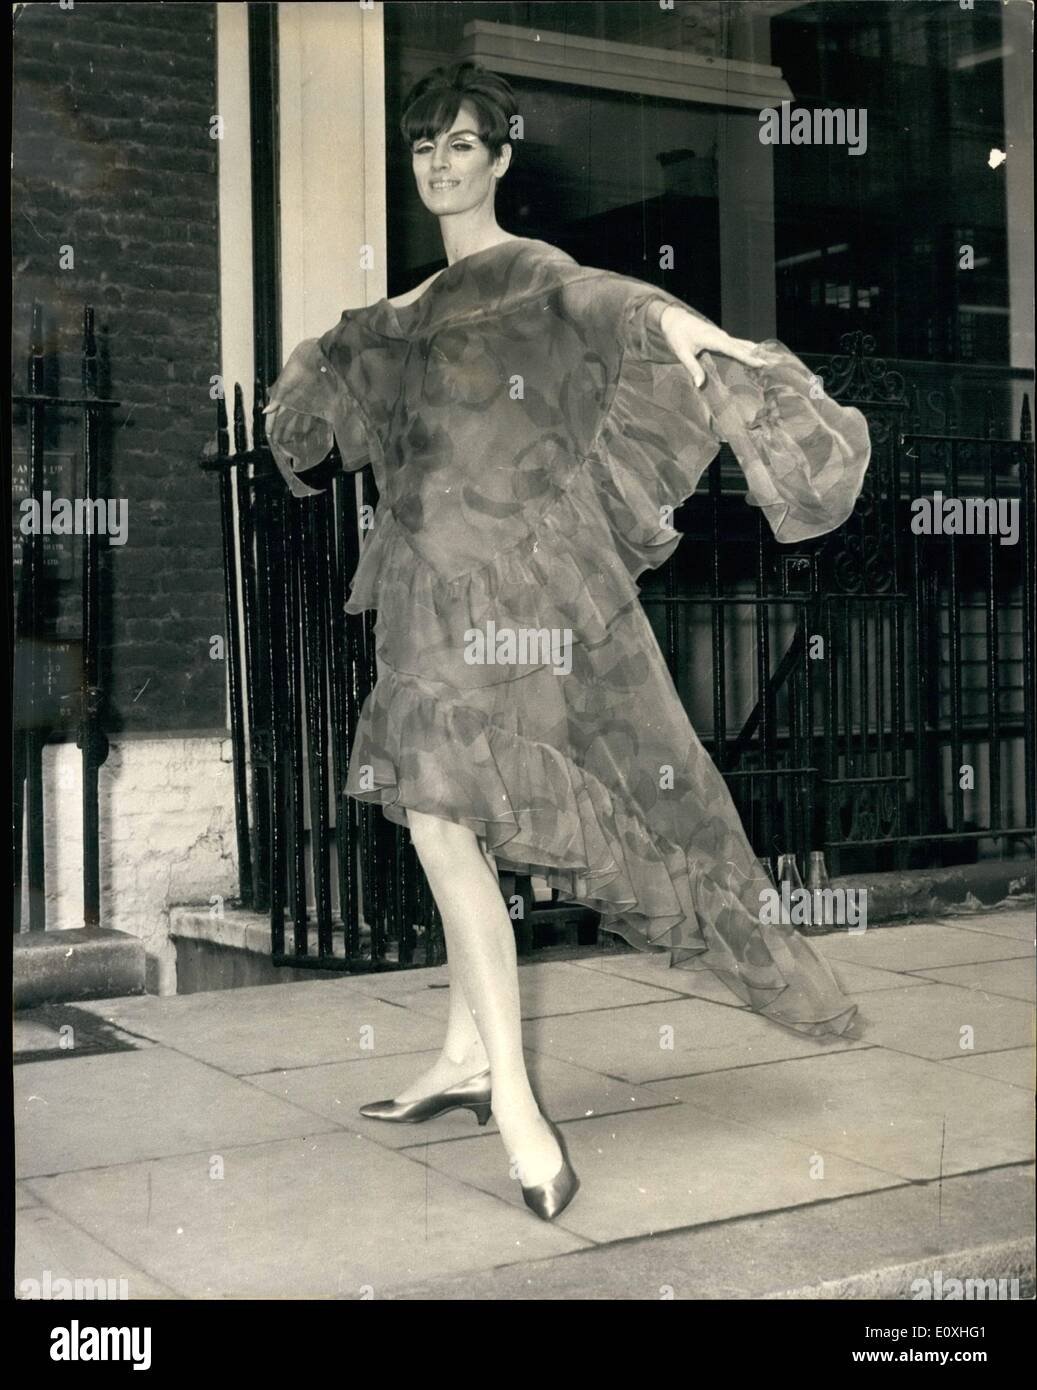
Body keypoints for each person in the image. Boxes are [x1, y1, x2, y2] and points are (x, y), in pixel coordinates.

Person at [262, 61, 871, 1223]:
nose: (440, 166)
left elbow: (619, 306)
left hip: (496, 608)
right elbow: (336, 381)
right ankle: (459, 1055)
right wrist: (310, 384)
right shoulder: (400, 317)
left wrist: (701, 344)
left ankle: (513, 1107)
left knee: (443, 821)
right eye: (423, 149)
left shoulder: (532, 276)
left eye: (459, 146)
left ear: (499, 158)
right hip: (417, 599)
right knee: (453, 819)